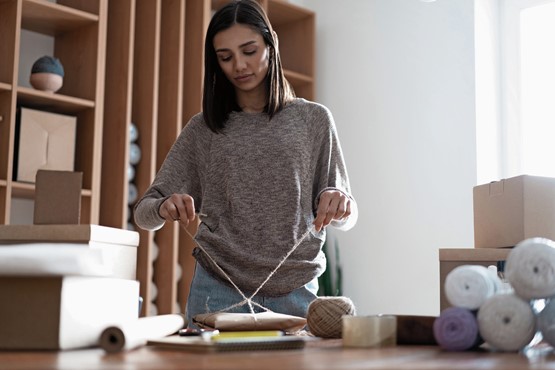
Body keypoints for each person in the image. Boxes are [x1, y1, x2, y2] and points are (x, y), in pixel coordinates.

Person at [133, 0, 357, 328]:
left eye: (249, 50)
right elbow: (144, 213)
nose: (239, 65)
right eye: (225, 57)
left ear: (271, 45)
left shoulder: (314, 120)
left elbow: (346, 217)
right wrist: (165, 205)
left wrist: (341, 203)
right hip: (216, 291)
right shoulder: (204, 129)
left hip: (297, 296)